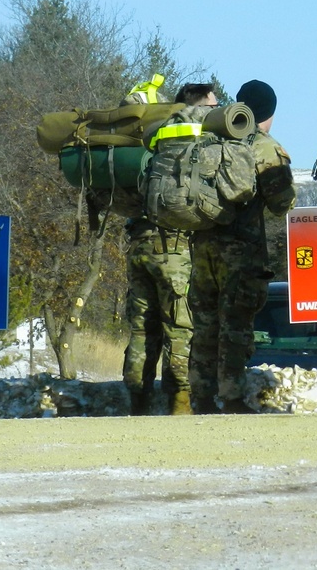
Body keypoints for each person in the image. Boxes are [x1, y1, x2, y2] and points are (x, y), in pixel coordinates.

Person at [187, 80, 296, 414]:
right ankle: (233, 397)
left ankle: (200, 397)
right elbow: (282, 203)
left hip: (202, 247)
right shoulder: (263, 146)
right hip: (241, 252)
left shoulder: (211, 137)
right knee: (235, 324)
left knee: (204, 324)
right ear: (269, 113)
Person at [121, 82, 216, 415]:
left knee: (141, 329)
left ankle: (138, 401)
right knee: (179, 328)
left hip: (140, 245)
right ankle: (180, 402)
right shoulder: (199, 141)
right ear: (198, 105)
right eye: (212, 105)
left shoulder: (156, 140)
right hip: (174, 249)